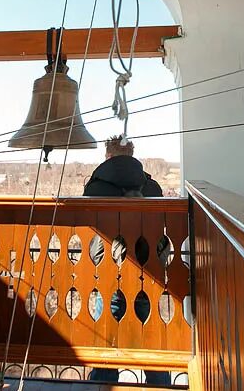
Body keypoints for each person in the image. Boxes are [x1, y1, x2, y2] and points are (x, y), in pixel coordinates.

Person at [83, 136, 171, 386]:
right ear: (132, 156)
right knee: (150, 338)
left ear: (108, 157)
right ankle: (159, 383)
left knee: (107, 337)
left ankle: (103, 384)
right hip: (147, 273)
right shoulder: (151, 187)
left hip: (110, 273)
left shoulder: (94, 188)